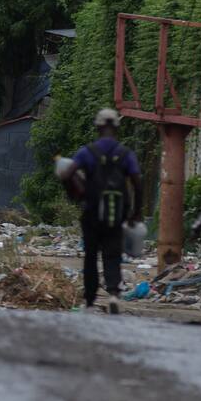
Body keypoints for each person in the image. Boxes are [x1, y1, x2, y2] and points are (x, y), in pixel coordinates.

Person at [61, 108, 142, 314]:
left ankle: (89, 300)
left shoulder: (87, 152)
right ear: (116, 128)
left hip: (91, 212)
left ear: (97, 127)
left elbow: (67, 172)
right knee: (112, 254)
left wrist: (75, 193)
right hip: (116, 212)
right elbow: (137, 182)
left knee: (90, 256)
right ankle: (114, 294)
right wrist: (136, 211)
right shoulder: (125, 154)